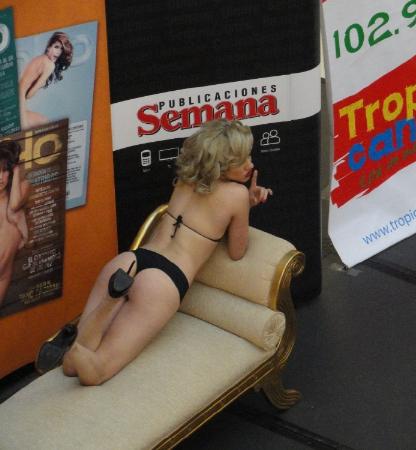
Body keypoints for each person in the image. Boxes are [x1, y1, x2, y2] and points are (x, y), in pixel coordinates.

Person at [36, 119, 273, 385]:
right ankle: (90, 333)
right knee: (98, 371)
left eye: (248, 156)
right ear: (221, 163)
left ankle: (93, 321)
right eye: (240, 160)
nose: (250, 164)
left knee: (70, 368)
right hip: (163, 281)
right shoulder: (237, 195)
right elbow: (237, 252)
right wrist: (247, 205)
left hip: (130, 261)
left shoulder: (185, 181)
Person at [19, 31, 73, 130]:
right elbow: (29, 95)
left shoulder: (39, 58)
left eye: (61, 49)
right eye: (56, 47)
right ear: (49, 47)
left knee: (43, 121)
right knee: (37, 128)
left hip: (16, 99)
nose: (58, 52)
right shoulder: (49, 65)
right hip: (19, 101)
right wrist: (41, 84)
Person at [0, 140, 31, 305]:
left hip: (3, 276)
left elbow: (14, 205)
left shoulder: (23, 186)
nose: (0, 177)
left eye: (5, 170)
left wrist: (16, 169)